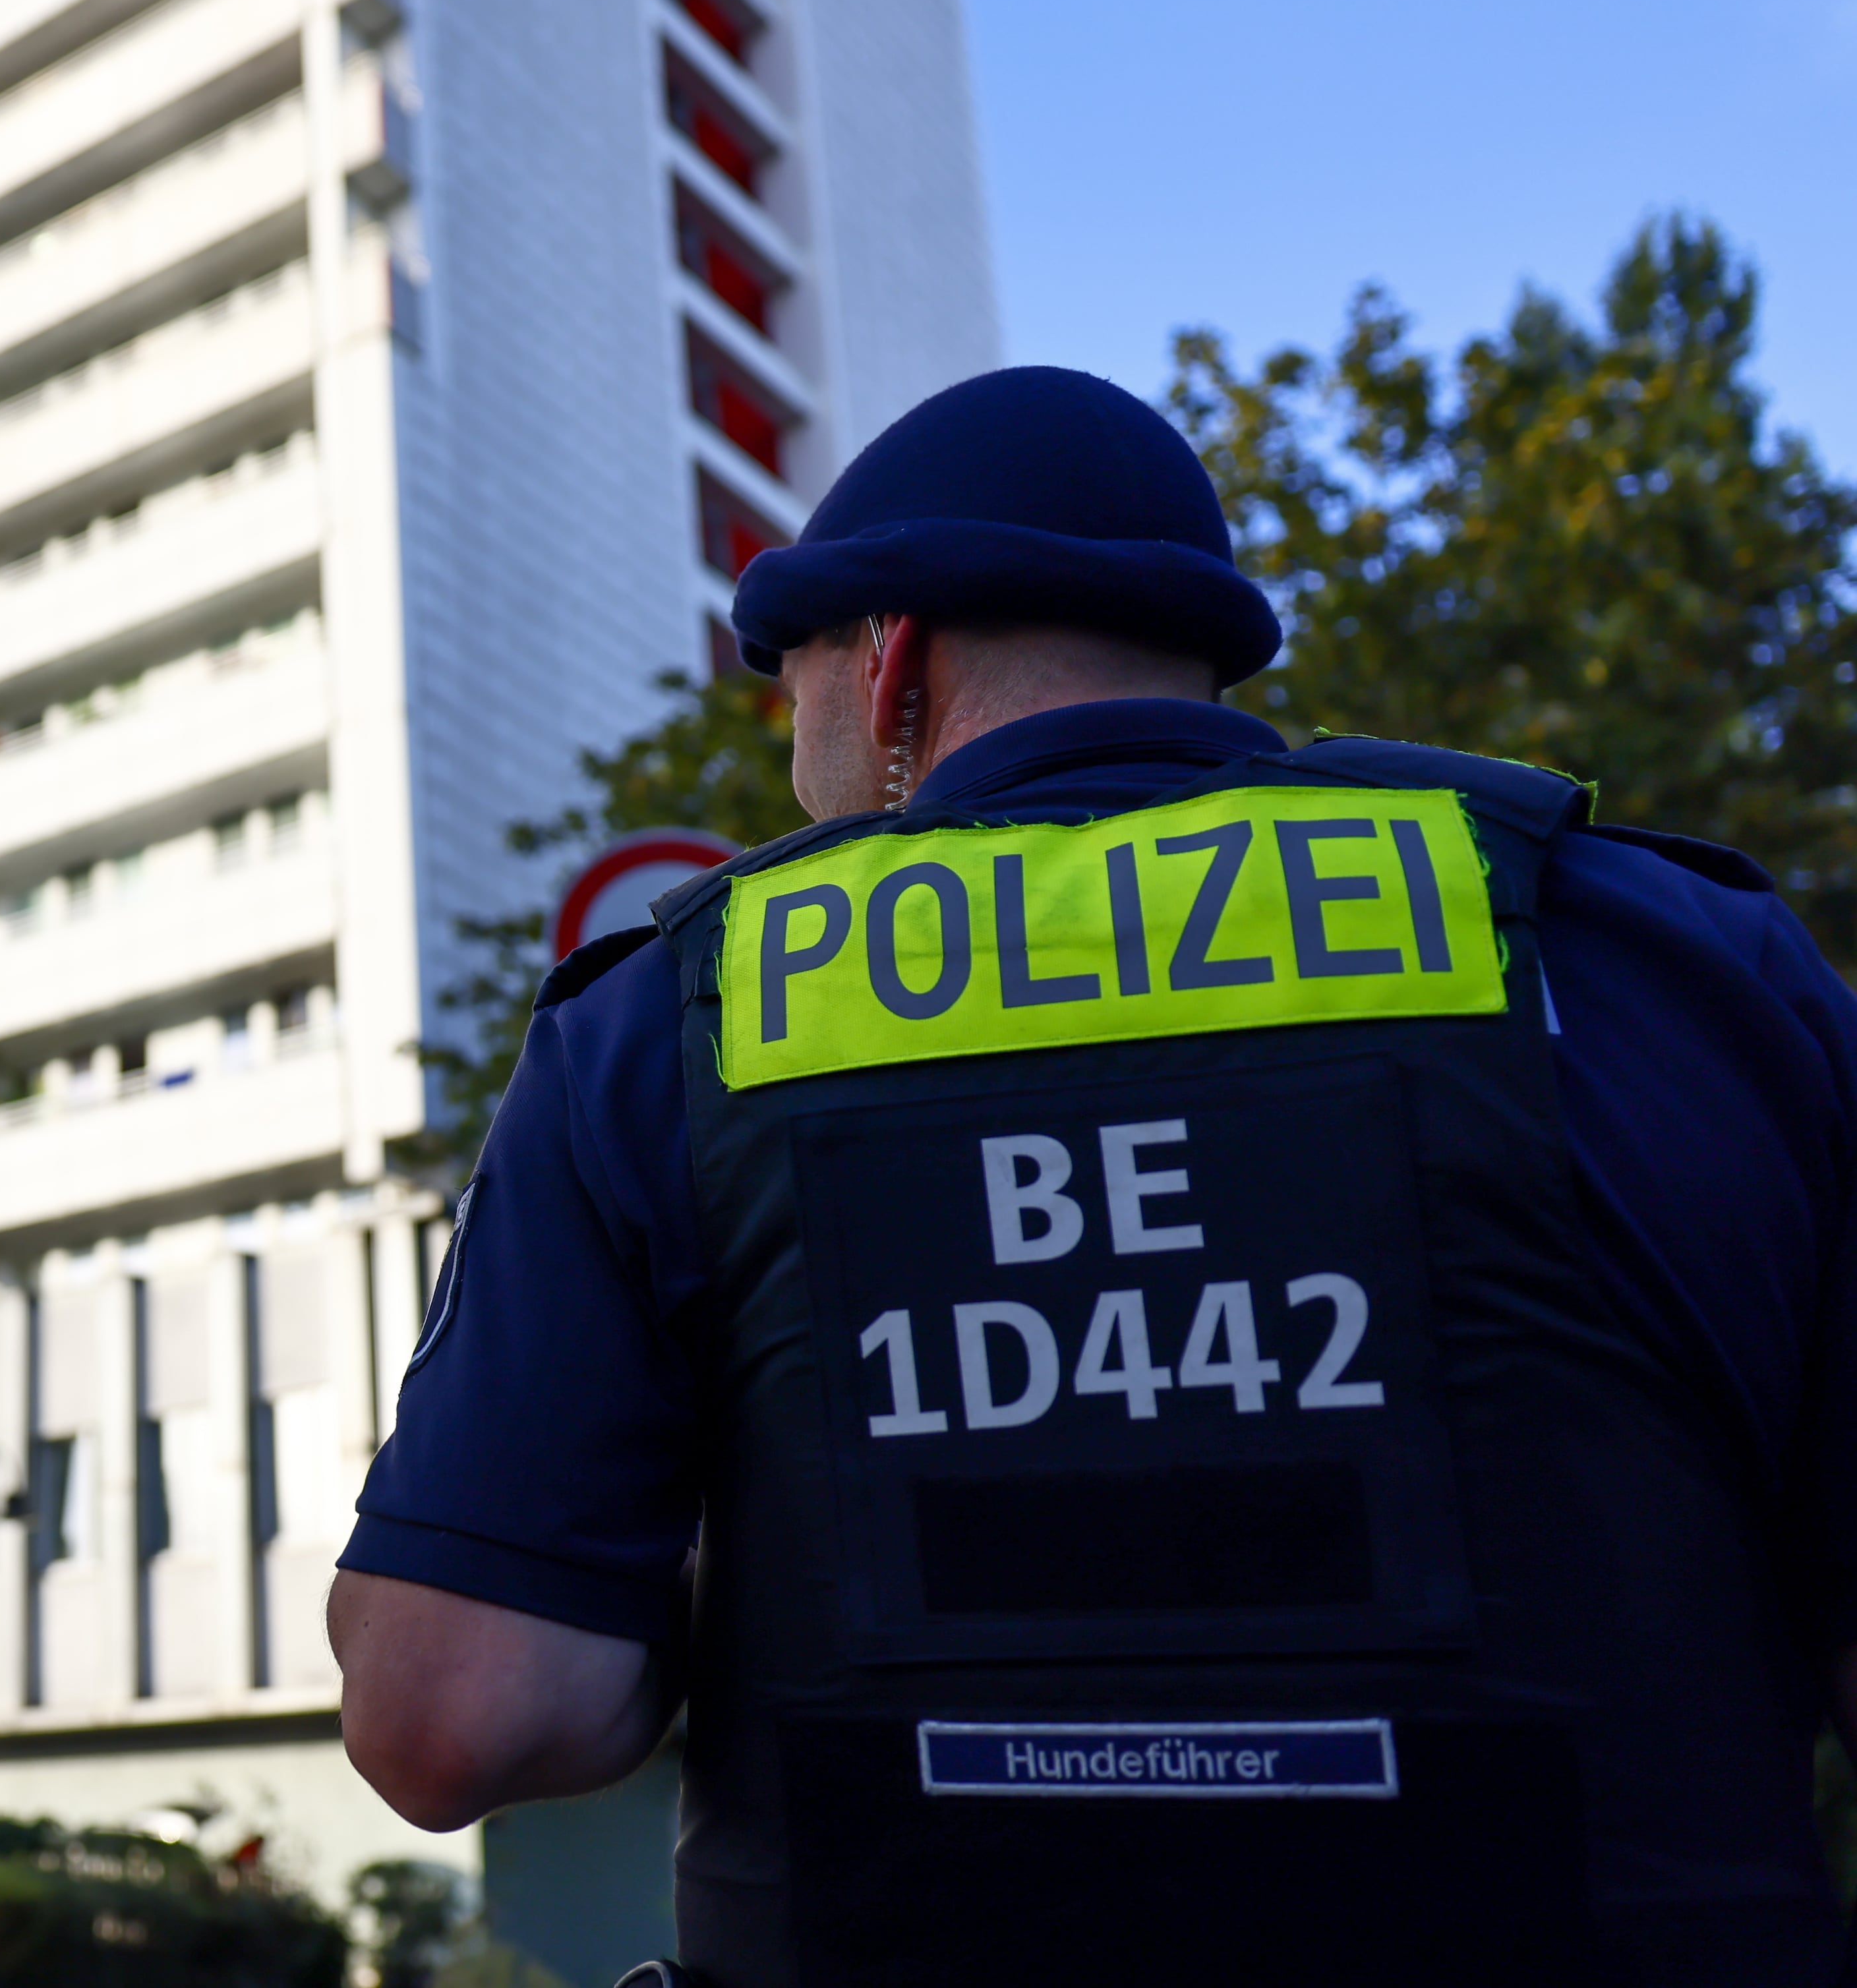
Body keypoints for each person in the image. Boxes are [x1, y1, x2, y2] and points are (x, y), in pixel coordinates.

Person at [330, 366, 1857, 1987]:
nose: (797, 758)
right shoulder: (1684, 961)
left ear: (889, 662)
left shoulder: (666, 1026)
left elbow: (453, 1714)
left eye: (793, 698)